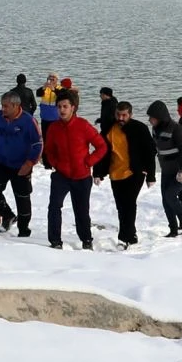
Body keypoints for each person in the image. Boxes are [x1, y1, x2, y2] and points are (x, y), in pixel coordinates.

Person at [44, 89, 106, 249]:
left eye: (65, 106)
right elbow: (49, 150)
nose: (62, 110)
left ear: (73, 108)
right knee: (54, 206)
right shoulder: (53, 128)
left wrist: (89, 162)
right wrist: (56, 163)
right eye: (59, 107)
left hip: (82, 176)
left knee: (81, 211)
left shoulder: (83, 125)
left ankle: (86, 240)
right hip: (61, 175)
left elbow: (101, 146)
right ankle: (55, 242)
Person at [92, 100, 155, 247]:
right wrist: (97, 172)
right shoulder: (108, 129)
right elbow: (102, 152)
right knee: (121, 206)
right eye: (118, 115)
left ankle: (126, 237)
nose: (121, 118)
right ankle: (129, 234)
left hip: (135, 172)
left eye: (124, 115)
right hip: (115, 173)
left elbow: (150, 151)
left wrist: (150, 174)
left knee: (129, 203)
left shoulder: (139, 128)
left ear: (130, 115)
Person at [0, 90, 42, 237]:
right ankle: (8, 215)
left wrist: (29, 164)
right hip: (2, 163)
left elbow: (38, 144)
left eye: (6, 106)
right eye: (2, 106)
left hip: (21, 166)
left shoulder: (28, 121)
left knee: (22, 198)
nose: (2, 109)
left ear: (16, 106)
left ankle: (24, 230)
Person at [145, 100, 182, 237]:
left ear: (160, 117)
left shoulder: (176, 129)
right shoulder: (155, 130)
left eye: (152, 117)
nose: (150, 120)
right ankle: (172, 229)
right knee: (166, 201)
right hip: (166, 170)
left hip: (179, 171)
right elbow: (155, 148)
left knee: (170, 195)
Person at [36, 74, 60, 168]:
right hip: (45, 118)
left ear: (57, 80)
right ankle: (46, 163)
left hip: (55, 119)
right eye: (49, 79)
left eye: (53, 79)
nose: (51, 80)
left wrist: (54, 89)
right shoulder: (44, 89)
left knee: (55, 141)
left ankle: (56, 161)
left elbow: (62, 95)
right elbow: (38, 93)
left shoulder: (59, 88)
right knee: (45, 140)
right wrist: (43, 87)